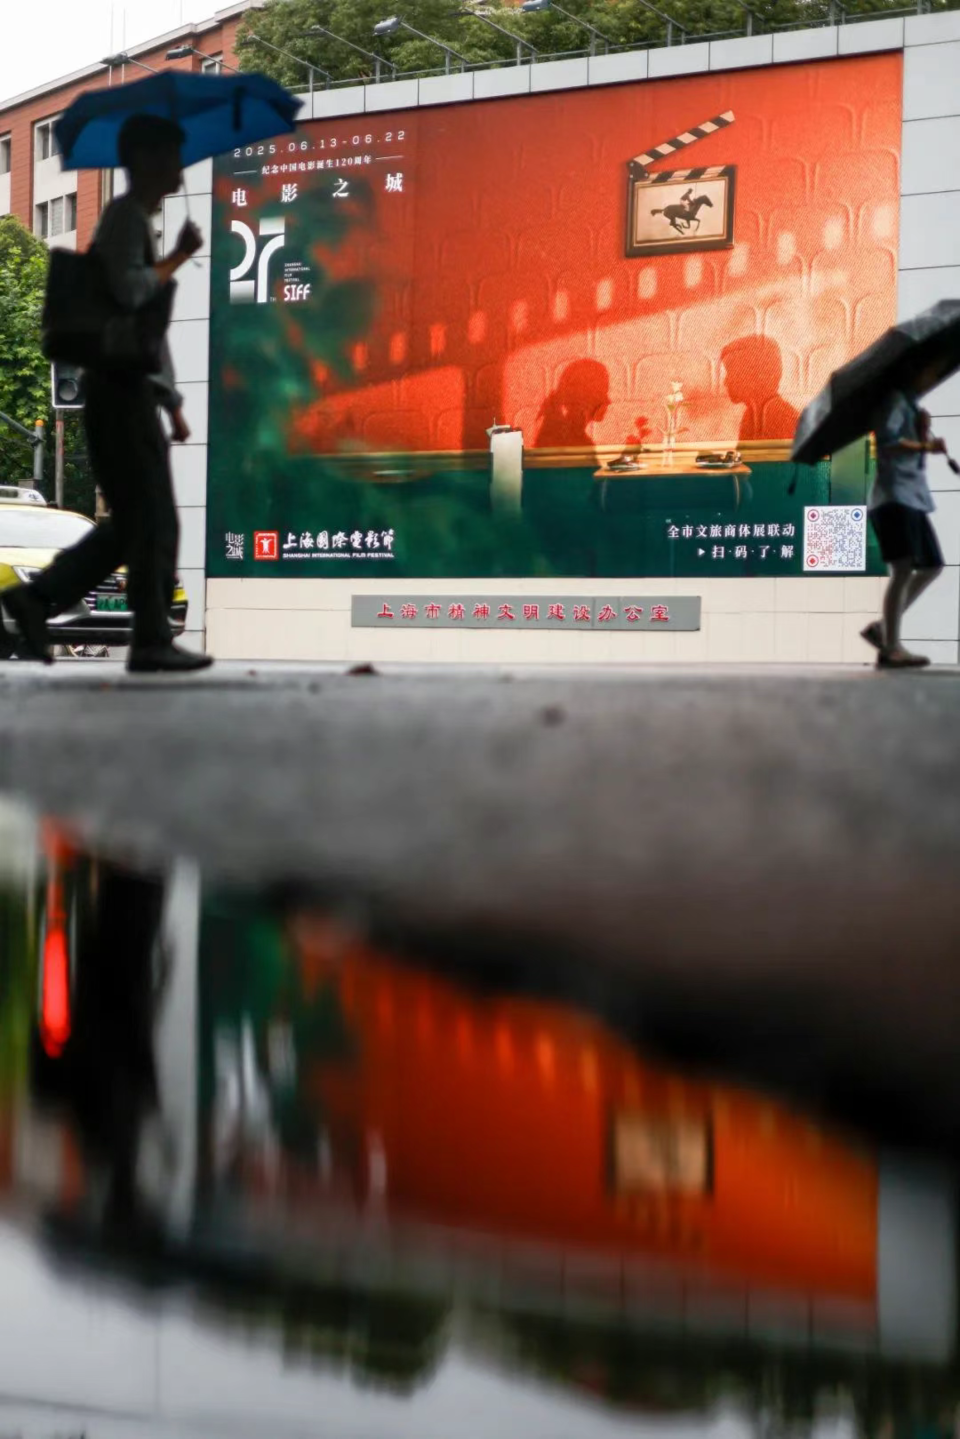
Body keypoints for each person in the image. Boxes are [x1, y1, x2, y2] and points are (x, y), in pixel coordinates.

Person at [1, 114, 212, 673]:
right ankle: (145, 639)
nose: (178, 169)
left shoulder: (135, 222)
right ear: (144, 159)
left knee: (140, 522)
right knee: (151, 519)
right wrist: (178, 256)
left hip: (131, 390)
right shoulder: (123, 219)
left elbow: (145, 332)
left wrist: (171, 404)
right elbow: (131, 293)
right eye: (170, 156)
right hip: (118, 393)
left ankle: (42, 601)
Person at [860, 367, 946, 669]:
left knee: (932, 565)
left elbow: (912, 456)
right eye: (930, 372)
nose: (933, 378)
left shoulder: (909, 405)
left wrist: (922, 432)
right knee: (902, 569)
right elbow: (888, 442)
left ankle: (883, 630)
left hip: (912, 497)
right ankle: (891, 647)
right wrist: (926, 444)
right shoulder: (893, 401)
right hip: (893, 497)